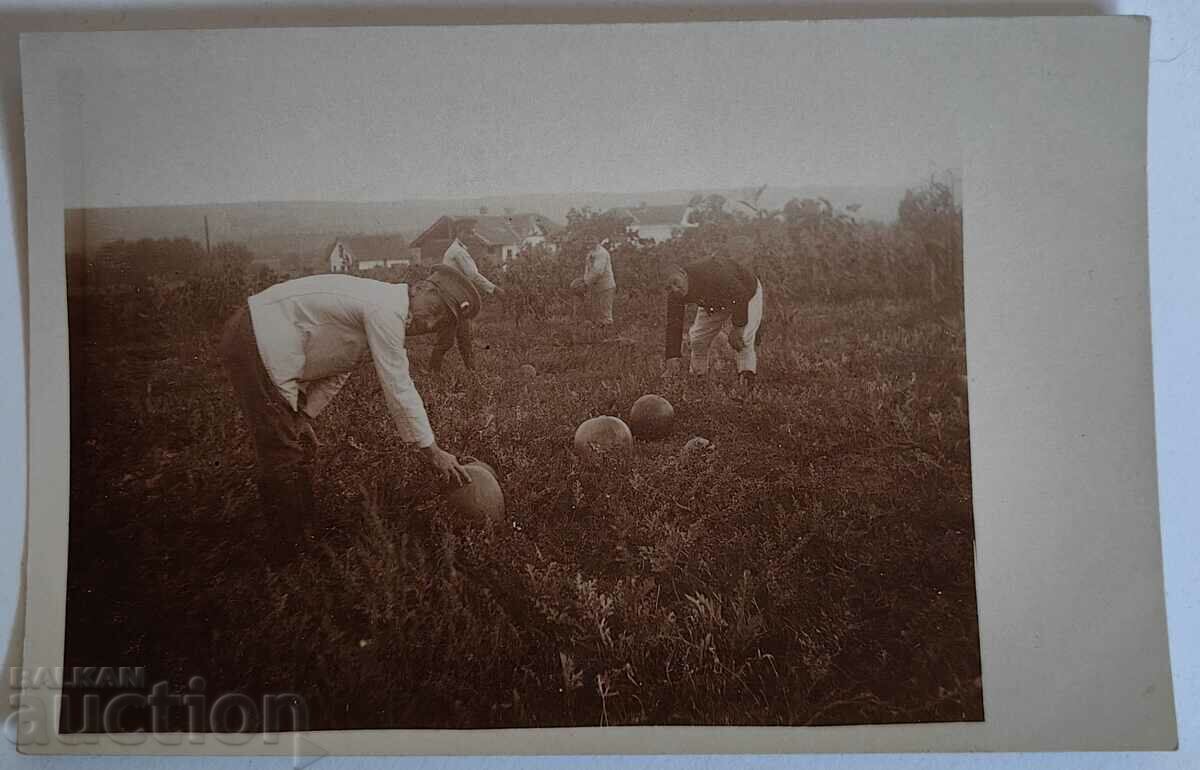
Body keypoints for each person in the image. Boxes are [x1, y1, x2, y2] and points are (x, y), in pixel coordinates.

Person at [218, 267, 480, 560]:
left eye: (439, 323)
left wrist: (304, 416)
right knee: (281, 450)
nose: (429, 323)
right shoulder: (386, 310)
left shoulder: (384, 307)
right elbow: (398, 385)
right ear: (420, 288)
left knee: (291, 445)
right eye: (433, 310)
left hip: (267, 341)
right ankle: (292, 556)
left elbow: (340, 367)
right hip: (256, 335)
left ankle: (304, 535)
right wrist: (432, 452)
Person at [663, 251, 765, 391]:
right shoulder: (674, 295)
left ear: (683, 273)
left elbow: (740, 294)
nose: (675, 289)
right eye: (669, 287)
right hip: (714, 302)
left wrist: (738, 328)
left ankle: (746, 388)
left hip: (747, 293)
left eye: (675, 282)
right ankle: (698, 383)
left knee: (743, 340)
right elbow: (674, 324)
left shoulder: (711, 271)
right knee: (697, 339)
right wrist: (672, 357)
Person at [429, 238, 505, 373]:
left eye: (472, 232)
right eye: (469, 232)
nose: (472, 235)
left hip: (455, 298)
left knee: (463, 338)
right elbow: (473, 275)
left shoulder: (457, 249)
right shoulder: (458, 252)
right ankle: (434, 372)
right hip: (452, 301)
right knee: (448, 340)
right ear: (461, 232)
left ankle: (471, 371)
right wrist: (494, 289)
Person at [576, 237, 616, 331]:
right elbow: (589, 270)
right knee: (597, 313)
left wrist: (585, 283)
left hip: (605, 287)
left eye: (592, 240)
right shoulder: (591, 252)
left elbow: (598, 272)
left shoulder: (601, 253)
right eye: (588, 240)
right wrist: (583, 280)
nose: (589, 243)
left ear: (597, 241)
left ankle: (608, 334)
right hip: (596, 287)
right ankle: (599, 334)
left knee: (605, 314)